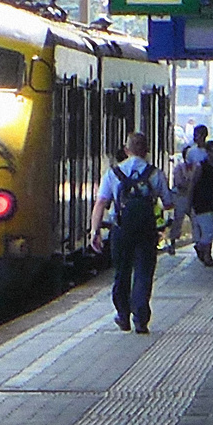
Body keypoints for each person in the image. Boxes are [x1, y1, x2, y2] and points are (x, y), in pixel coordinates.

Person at [89, 132, 174, 334]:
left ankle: (123, 315)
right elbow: (169, 202)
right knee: (144, 273)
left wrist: (95, 231)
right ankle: (141, 319)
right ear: (146, 151)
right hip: (146, 231)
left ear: (126, 150)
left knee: (122, 273)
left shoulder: (113, 173)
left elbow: (101, 202)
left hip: (121, 229)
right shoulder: (155, 173)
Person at [190, 140, 213, 267]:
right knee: (208, 231)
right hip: (202, 203)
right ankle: (207, 256)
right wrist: (191, 203)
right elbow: (193, 184)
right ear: (208, 152)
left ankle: (201, 247)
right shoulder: (201, 167)